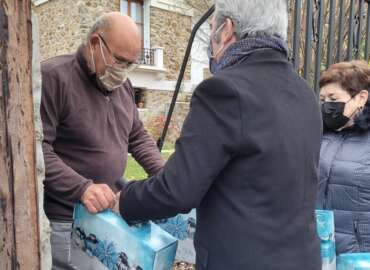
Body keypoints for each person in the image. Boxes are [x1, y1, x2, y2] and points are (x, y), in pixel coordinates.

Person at [117, 0, 322, 269]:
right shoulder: (305, 93)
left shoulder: (223, 90)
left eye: (211, 30)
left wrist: (125, 199)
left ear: (226, 30)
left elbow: (176, 191)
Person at [40, 12, 164, 269]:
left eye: (131, 64)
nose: (124, 72)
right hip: (66, 222)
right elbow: (37, 151)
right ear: (95, 44)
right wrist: (81, 188)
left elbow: (137, 136)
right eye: (120, 61)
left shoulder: (124, 86)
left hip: (108, 216)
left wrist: (164, 174)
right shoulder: (54, 77)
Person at [317, 60, 370, 254]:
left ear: (361, 98)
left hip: (359, 253)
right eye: (322, 100)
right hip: (317, 248)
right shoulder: (317, 134)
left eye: (333, 98)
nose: (327, 106)